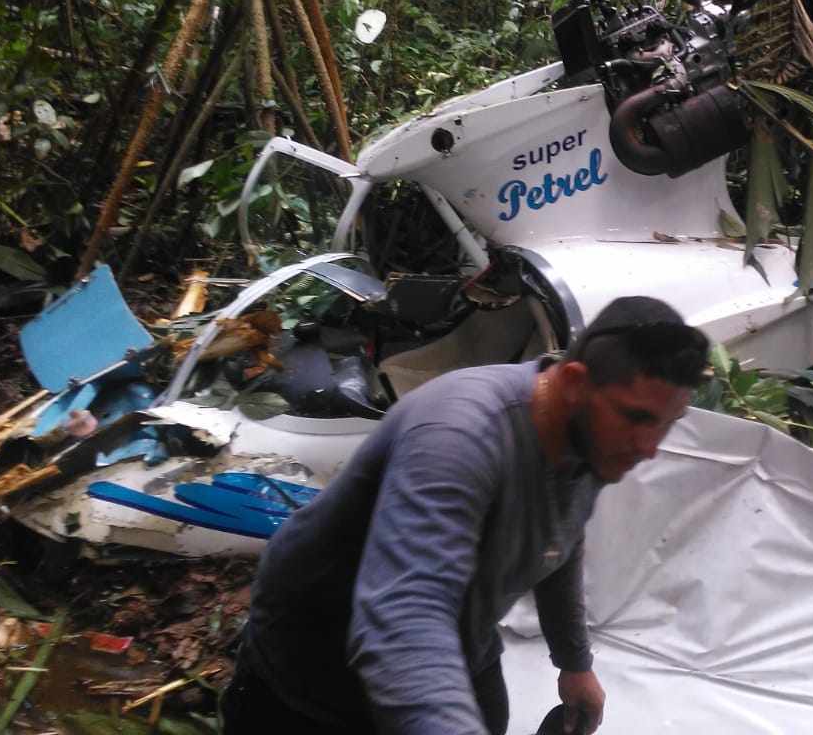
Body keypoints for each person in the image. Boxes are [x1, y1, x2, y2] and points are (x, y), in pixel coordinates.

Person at [221, 295, 709, 735]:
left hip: (463, 638)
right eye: (638, 418)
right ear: (577, 383)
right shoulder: (459, 435)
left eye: (668, 424)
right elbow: (405, 615)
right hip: (314, 663)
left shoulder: (590, 438)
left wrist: (574, 662)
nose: (649, 448)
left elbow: (561, 539)